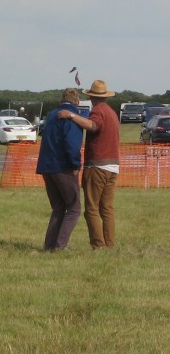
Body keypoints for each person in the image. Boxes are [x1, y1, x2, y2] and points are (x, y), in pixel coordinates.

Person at [59, 79, 119, 249]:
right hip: (113, 165)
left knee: (91, 208)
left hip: (97, 165)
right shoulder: (112, 112)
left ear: (92, 97)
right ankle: (110, 244)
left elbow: (93, 126)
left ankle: (98, 246)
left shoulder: (98, 111)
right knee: (107, 208)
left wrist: (71, 115)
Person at [36, 89, 84, 251]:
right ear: (77, 101)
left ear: (61, 99)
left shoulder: (51, 115)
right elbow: (72, 144)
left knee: (57, 208)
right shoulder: (71, 117)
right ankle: (60, 246)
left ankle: (49, 245)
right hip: (63, 167)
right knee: (74, 208)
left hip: (46, 166)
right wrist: (75, 165)